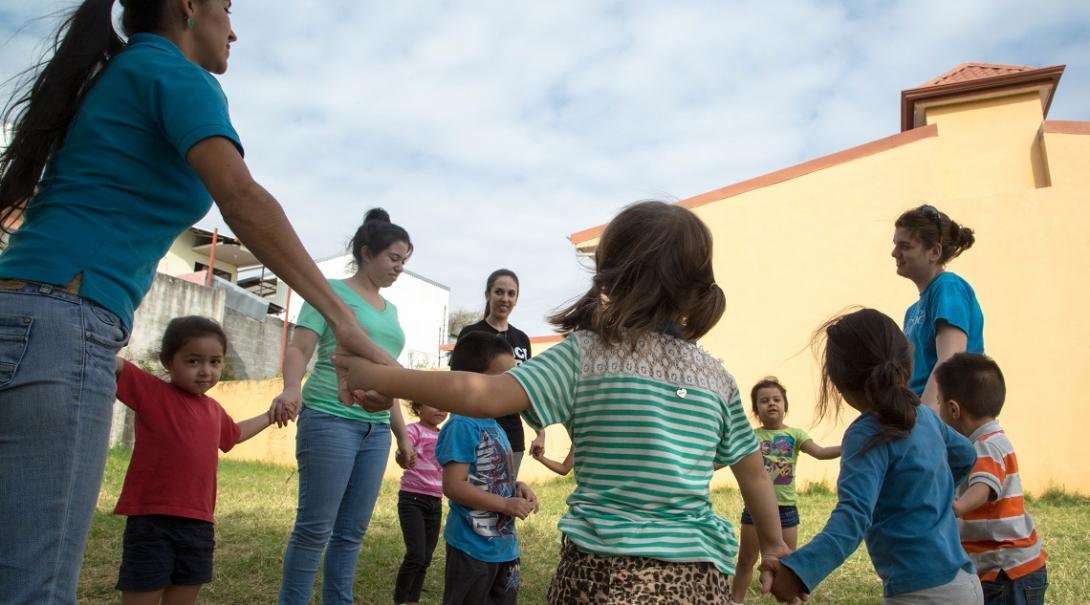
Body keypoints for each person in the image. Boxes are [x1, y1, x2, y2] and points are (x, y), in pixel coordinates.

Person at [0, 3, 393, 602]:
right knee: (35, 584)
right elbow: (240, 196)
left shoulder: (119, 72)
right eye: (228, 7)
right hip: (64, 322)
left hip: (24, 315)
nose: (233, 29)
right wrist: (344, 322)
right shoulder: (176, 73)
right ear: (189, 5)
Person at [336, 200, 791, 604]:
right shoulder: (718, 377)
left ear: (614, 274)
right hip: (700, 579)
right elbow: (753, 472)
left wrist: (377, 374)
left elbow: (483, 395)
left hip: (603, 574)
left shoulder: (588, 354)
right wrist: (772, 546)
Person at [765, 308, 981, 604]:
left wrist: (798, 571)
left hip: (921, 595)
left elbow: (852, 519)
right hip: (967, 584)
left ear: (840, 385)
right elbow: (966, 454)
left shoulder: (865, 434)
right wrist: (929, 494)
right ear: (906, 362)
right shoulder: (926, 417)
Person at [274, 209, 415, 605]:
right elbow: (301, 346)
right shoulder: (330, 292)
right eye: (393, 258)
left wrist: (402, 435)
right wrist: (290, 388)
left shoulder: (393, 312)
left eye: (405, 260)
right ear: (367, 253)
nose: (400, 267)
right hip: (330, 418)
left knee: (352, 532)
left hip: (374, 432)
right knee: (315, 529)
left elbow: (389, 380)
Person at [111, 316, 278, 604]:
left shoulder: (214, 410)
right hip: (152, 521)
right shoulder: (151, 391)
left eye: (215, 362)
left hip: (198, 524)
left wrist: (269, 416)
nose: (206, 371)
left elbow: (234, 435)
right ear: (167, 361)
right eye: (193, 361)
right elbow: (113, 364)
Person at [935, 353, 1048, 605]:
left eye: (939, 403)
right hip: (1010, 571)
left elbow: (983, 486)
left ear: (953, 409)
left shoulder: (984, 446)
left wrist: (957, 507)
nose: (938, 410)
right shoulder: (995, 439)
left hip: (1007, 573)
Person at [437, 332, 538, 605]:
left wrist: (518, 488)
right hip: (472, 549)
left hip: (504, 548)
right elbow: (454, 485)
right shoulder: (462, 425)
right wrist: (505, 505)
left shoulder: (495, 425)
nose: (511, 386)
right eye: (502, 379)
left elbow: (493, 478)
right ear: (471, 380)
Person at [730, 377, 840, 605]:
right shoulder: (751, 437)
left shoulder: (796, 435)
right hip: (754, 510)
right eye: (764, 401)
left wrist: (850, 446)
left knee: (787, 565)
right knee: (745, 560)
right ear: (756, 410)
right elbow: (728, 457)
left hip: (786, 511)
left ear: (785, 406)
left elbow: (820, 452)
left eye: (776, 399)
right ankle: (735, 600)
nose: (771, 403)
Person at [892, 204, 983, 409]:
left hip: (946, 416)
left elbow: (950, 360)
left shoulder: (947, 287)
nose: (894, 253)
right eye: (895, 244)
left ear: (934, 252)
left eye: (905, 246)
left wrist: (925, 422)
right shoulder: (911, 312)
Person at [456, 269, 545, 476]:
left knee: (506, 497)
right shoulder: (470, 333)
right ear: (488, 295)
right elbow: (458, 383)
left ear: (516, 299)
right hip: (475, 431)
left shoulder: (521, 339)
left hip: (511, 435)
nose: (505, 298)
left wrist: (540, 432)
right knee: (474, 499)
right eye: (499, 292)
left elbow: (527, 389)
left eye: (511, 294)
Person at [394, 400, 448, 605]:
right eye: (433, 404)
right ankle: (400, 600)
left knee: (425, 557)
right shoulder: (413, 430)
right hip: (413, 499)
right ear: (418, 408)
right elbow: (403, 449)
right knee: (416, 554)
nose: (441, 408)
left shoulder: (444, 435)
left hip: (435, 501)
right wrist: (404, 455)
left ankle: (412, 600)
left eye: (445, 405)